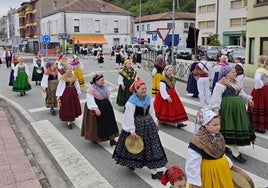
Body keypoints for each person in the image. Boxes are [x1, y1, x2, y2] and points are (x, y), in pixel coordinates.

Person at [112, 77, 168, 180]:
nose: (144, 90)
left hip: (148, 126)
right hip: (136, 126)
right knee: (135, 146)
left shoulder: (147, 98)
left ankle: (153, 170)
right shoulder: (131, 102)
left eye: (145, 88)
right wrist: (132, 130)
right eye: (141, 89)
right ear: (136, 90)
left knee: (150, 146)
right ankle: (132, 163)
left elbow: (152, 111)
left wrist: (155, 122)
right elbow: (129, 116)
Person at [209, 65, 254, 163]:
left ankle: (226, 146)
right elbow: (216, 98)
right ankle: (235, 153)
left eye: (235, 72)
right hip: (228, 109)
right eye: (233, 72)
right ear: (227, 74)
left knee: (235, 128)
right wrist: (216, 111)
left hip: (237, 109)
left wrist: (248, 99)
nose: (235, 73)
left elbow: (241, 94)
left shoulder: (236, 82)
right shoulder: (220, 84)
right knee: (231, 128)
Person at [185, 108, 234, 188]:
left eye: (219, 124)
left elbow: (221, 153)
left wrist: (230, 164)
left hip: (222, 172)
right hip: (209, 174)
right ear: (205, 124)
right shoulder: (198, 141)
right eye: (215, 125)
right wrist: (195, 183)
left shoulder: (218, 136)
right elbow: (192, 163)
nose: (218, 127)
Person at [81, 73, 119, 146]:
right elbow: (90, 100)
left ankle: (112, 139)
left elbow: (107, 96)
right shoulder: (91, 90)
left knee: (110, 122)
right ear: (96, 81)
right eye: (102, 80)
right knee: (96, 125)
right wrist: (95, 108)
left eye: (103, 80)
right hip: (97, 107)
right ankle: (94, 138)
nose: (103, 81)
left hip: (106, 107)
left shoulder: (104, 87)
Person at [56, 64, 82, 129]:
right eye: (68, 69)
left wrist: (78, 92)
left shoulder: (74, 76)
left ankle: (71, 118)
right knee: (68, 106)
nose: (70, 70)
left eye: (71, 69)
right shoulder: (63, 77)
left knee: (73, 105)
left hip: (73, 92)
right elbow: (60, 87)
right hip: (66, 93)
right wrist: (58, 95)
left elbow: (76, 84)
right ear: (65, 70)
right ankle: (69, 121)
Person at [249, 55, 268, 133]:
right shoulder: (266, 69)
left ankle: (259, 126)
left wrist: (259, 86)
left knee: (258, 105)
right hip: (267, 89)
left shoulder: (260, 70)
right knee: (265, 106)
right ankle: (263, 126)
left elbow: (257, 80)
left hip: (261, 90)